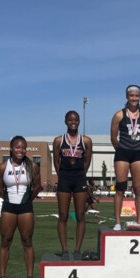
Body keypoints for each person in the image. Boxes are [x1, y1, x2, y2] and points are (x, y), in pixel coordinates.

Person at [0, 136, 42, 278]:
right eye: (17, 147)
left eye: (23, 148)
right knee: (5, 241)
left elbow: (37, 186)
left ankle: (29, 277)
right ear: (11, 148)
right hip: (8, 207)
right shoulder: (3, 167)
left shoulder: (32, 166)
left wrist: (28, 200)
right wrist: (8, 199)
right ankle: (2, 277)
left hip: (25, 208)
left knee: (27, 241)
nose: (20, 150)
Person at [53, 110, 92, 261]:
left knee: (80, 215)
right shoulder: (58, 140)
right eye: (70, 120)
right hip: (64, 180)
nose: (73, 122)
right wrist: (61, 175)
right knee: (63, 215)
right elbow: (56, 161)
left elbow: (87, 160)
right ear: (65, 121)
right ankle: (64, 249)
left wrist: (82, 174)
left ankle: (77, 249)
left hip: (79, 179)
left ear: (79, 121)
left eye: (76, 120)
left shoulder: (86, 141)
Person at [111, 84, 140, 231]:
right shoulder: (119, 115)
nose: (134, 98)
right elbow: (113, 137)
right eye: (131, 95)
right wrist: (121, 149)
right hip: (122, 153)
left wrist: (136, 147)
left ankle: (139, 222)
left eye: (137, 96)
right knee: (120, 188)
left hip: (137, 153)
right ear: (127, 97)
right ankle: (117, 222)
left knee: (138, 188)